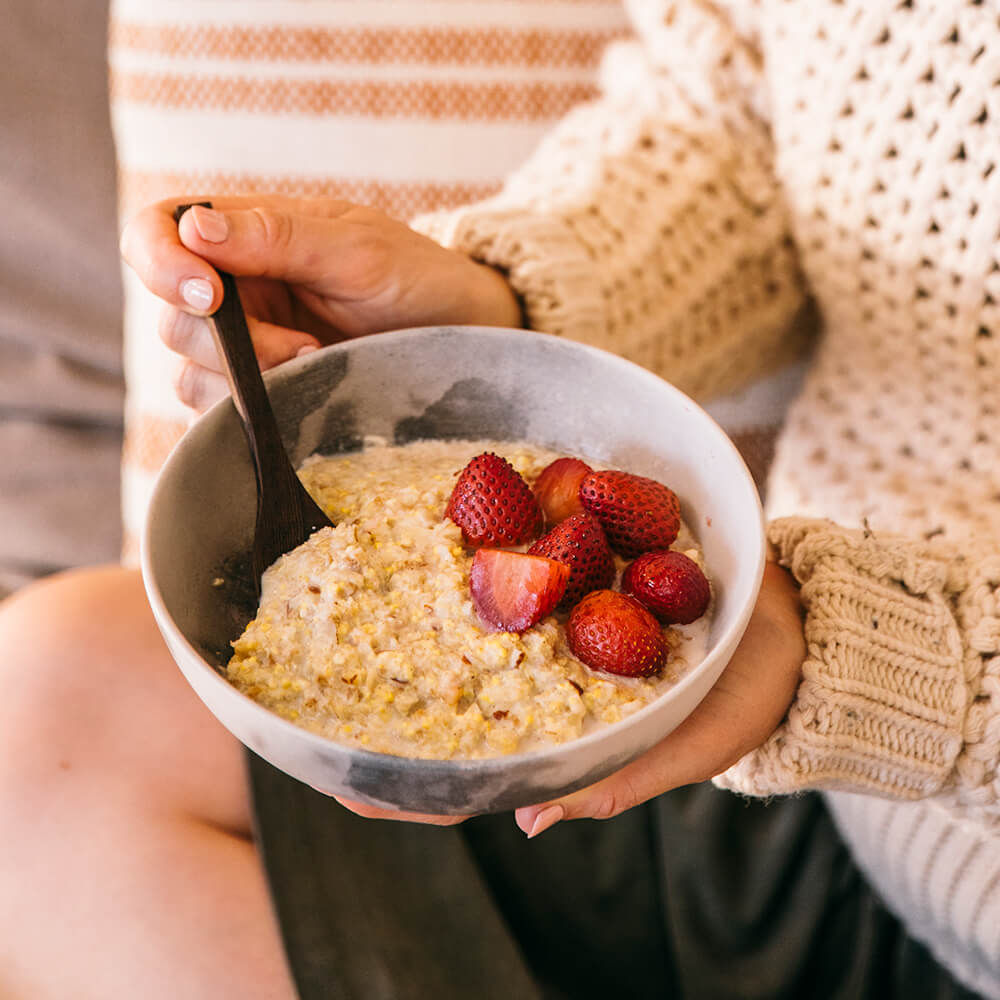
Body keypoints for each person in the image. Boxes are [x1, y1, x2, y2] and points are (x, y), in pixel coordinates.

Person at [1, 1, 997, 997]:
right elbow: (756, 121)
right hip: (785, 782)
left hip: (944, 849)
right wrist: (499, 311)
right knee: (48, 703)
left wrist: (858, 652)